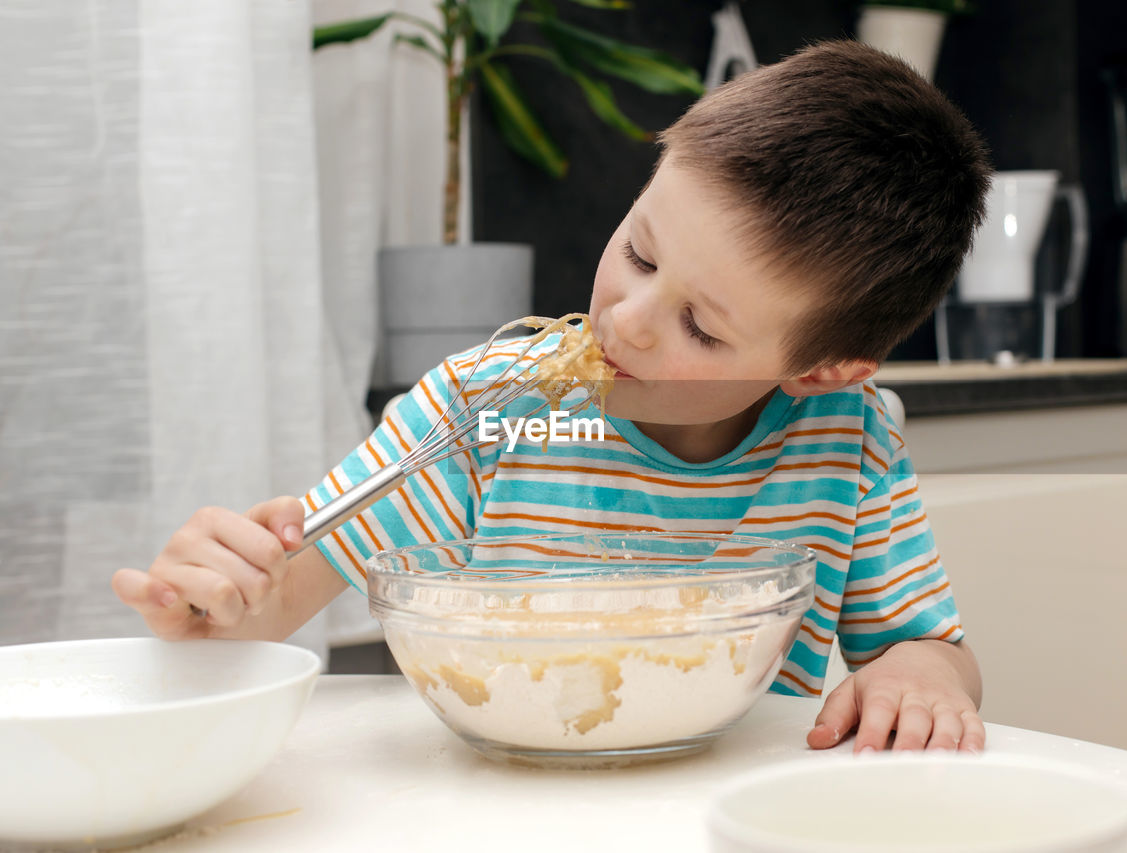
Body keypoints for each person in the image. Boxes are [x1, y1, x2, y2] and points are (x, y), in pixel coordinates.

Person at [114, 39, 992, 754]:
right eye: (642, 254)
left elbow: (928, 647)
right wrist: (217, 598)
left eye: (702, 327)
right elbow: (279, 596)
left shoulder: (848, 440)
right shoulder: (485, 406)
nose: (629, 321)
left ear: (823, 368)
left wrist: (923, 676)